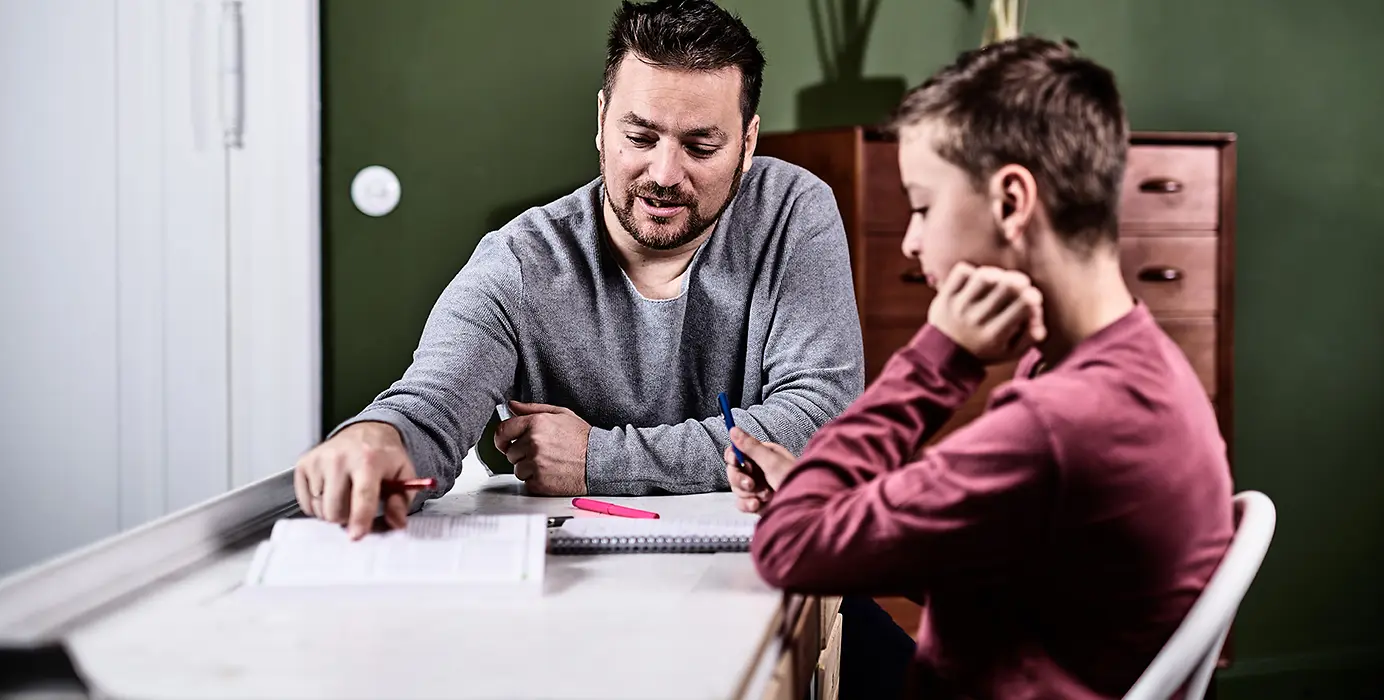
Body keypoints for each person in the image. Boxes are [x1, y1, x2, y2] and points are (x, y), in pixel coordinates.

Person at [722, 36, 1236, 699]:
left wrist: (939, 358)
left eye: (925, 206)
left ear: (1011, 202)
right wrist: (823, 496)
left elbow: (789, 549)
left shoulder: (1061, 420)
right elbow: (990, 554)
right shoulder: (1133, 367)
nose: (910, 239)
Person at [293, 0, 865, 539]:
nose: (664, 173)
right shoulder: (519, 263)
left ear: (747, 142)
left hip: (780, 569)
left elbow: (821, 419)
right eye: (639, 137)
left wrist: (597, 459)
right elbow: (430, 406)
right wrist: (377, 439)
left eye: (701, 146)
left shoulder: (791, 211)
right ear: (601, 120)